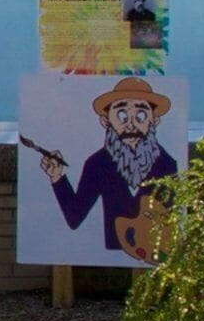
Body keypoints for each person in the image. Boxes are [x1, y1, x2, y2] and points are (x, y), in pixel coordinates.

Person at [33, 76, 177, 261]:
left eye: (140, 115)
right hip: (107, 255)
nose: (131, 124)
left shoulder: (167, 164)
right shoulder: (97, 163)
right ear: (106, 121)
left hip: (152, 257)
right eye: (122, 115)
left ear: (154, 121)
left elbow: (172, 221)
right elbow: (74, 217)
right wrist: (57, 178)